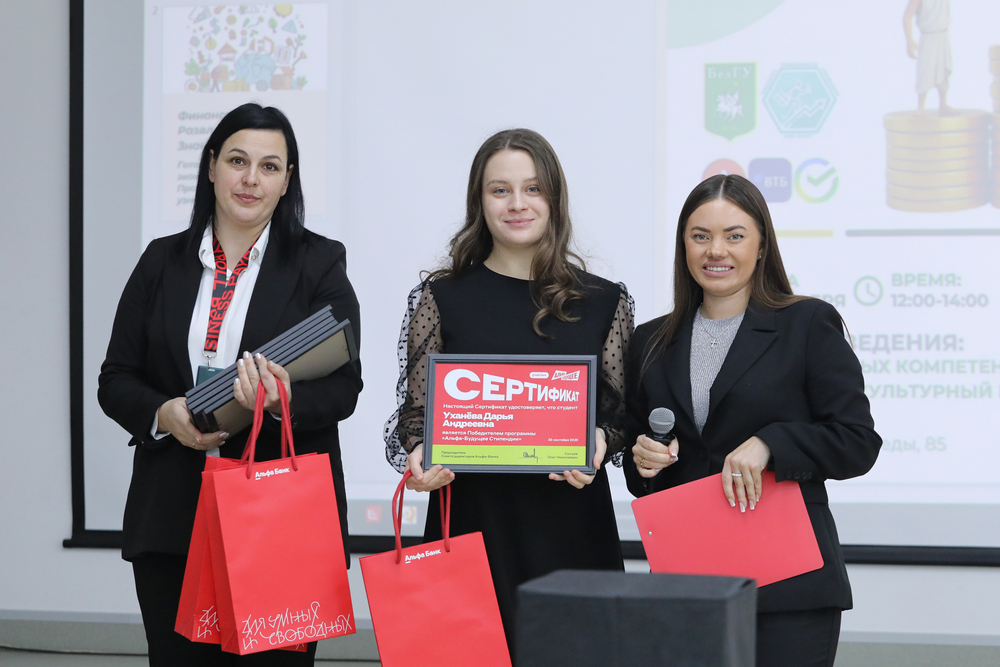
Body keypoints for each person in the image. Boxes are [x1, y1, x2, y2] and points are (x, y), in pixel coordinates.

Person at [98, 103, 362, 666]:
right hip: (173, 513)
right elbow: (116, 379)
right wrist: (163, 414)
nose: (251, 179)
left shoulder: (319, 262)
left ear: (287, 181)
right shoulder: (161, 260)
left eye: (270, 166)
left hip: (277, 519)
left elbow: (344, 388)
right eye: (238, 161)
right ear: (212, 165)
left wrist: (279, 399)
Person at [383, 128, 633, 652]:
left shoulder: (604, 301)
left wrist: (600, 439)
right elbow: (416, 414)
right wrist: (420, 451)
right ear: (480, 201)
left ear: (555, 198)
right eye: (500, 190)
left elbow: (619, 415)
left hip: (573, 532)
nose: (517, 203)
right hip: (473, 529)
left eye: (533, 188)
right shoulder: (441, 298)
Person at [623, 174, 881, 667]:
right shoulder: (650, 341)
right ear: (683, 245)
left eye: (734, 235)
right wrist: (644, 459)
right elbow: (642, 476)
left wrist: (770, 443)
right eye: (700, 236)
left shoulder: (807, 323)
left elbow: (857, 442)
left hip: (789, 586)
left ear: (761, 246)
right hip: (689, 583)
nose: (716, 250)